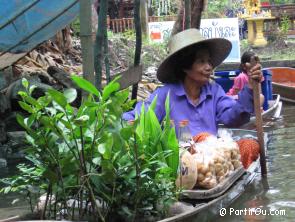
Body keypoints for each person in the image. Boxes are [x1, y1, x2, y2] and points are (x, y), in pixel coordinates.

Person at [123, 28, 263, 138]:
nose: (209, 67)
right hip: (182, 163)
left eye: (209, 61)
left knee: (249, 145)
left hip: (211, 161)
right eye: (201, 61)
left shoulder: (214, 91)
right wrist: (117, 124)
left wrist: (250, 86)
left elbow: (234, 117)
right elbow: (138, 116)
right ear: (185, 66)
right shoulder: (165, 95)